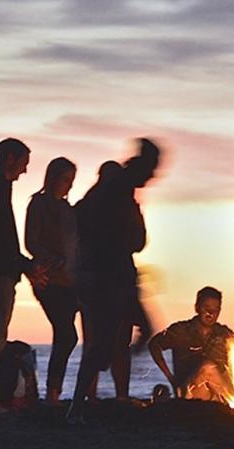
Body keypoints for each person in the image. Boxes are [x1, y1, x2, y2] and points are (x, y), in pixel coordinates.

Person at [67, 138, 160, 424]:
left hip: (110, 275)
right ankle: (78, 406)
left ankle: (80, 403)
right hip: (109, 277)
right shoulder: (117, 190)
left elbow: (134, 239)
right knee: (113, 340)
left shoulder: (115, 192)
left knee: (129, 335)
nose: (154, 177)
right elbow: (134, 239)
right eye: (152, 170)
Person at [0, 137, 46, 414]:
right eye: (23, 163)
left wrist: (23, 267)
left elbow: (4, 241)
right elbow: (2, 240)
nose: (25, 171)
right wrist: (25, 266)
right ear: (10, 159)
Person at [25, 157, 79, 404]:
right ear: (53, 178)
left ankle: (56, 393)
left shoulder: (69, 210)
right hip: (49, 279)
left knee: (67, 334)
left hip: (71, 281)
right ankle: (52, 393)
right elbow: (31, 242)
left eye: (71, 181)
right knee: (67, 334)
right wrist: (52, 260)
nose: (68, 185)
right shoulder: (39, 204)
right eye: (65, 179)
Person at [148, 286, 234, 402]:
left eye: (216, 309)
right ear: (197, 308)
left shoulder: (224, 333)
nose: (211, 313)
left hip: (218, 394)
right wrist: (171, 378)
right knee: (208, 368)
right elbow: (154, 345)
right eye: (206, 307)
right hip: (191, 392)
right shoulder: (180, 330)